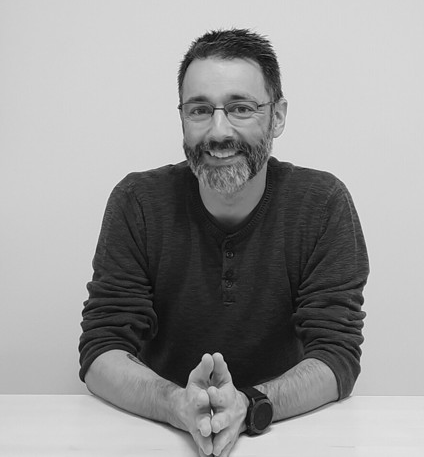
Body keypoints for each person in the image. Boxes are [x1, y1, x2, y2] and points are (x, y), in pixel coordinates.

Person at [79, 28, 369, 457]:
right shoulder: (137, 202)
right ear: (182, 117)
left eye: (240, 108)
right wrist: (177, 405)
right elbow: (102, 350)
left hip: (285, 435)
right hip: (161, 438)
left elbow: (337, 355)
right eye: (200, 109)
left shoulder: (322, 204)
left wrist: (248, 405)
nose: (218, 131)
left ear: (278, 116)